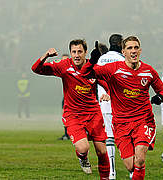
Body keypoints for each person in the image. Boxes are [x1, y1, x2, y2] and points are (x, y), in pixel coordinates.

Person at [81, 36, 163, 180]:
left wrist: (160, 97)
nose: (133, 51)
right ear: (123, 52)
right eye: (129, 48)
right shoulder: (114, 69)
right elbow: (86, 73)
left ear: (140, 51)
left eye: (136, 48)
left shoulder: (148, 71)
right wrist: (92, 60)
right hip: (121, 124)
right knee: (130, 166)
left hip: (143, 121)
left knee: (140, 158)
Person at [31, 39, 110, 179]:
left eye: (80, 51)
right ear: (71, 53)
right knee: (83, 147)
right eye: (74, 52)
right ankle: (83, 158)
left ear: (86, 52)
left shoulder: (94, 68)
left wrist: (107, 93)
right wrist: (45, 56)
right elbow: (36, 69)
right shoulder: (64, 66)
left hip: (93, 114)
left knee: (102, 151)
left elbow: (107, 83)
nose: (76, 55)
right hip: (73, 115)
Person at [96, 34, 125, 180]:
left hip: (104, 104)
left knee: (109, 138)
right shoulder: (123, 59)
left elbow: (98, 79)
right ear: (121, 44)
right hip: (120, 103)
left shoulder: (101, 59)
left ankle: (112, 173)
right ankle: (133, 170)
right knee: (127, 137)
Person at [58, 54, 70, 140]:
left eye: (65, 60)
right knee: (65, 114)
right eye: (62, 60)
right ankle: (66, 134)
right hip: (66, 96)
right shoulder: (62, 70)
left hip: (77, 96)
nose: (63, 62)